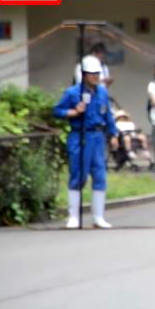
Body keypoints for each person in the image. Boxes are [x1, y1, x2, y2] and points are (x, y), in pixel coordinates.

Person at [54, 55, 118, 228]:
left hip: (98, 137)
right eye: (92, 74)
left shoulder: (103, 92)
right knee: (78, 175)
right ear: (83, 74)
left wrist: (113, 134)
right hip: (80, 135)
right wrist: (73, 112)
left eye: (98, 73)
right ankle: (73, 216)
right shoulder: (72, 93)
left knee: (100, 175)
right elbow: (57, 110)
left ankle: (99, 216)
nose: (96, 77)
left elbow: (108, 115)